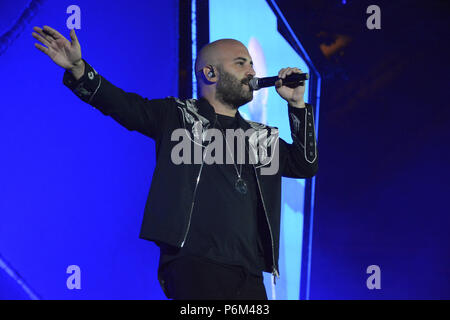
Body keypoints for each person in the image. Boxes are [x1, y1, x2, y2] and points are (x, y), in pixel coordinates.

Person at [32, 25, 318, 300]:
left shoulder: (260, 138)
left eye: (252, 65)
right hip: (195, 264)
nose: (252, 72)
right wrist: (79, 69)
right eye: (241, 63)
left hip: (250, 273)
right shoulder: (176, 117)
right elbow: (122, 105)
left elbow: (304, 165)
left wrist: (297, 106)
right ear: (210, 72)